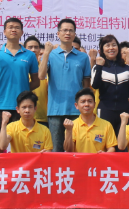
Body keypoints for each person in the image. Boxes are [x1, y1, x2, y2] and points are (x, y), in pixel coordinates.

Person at [0, 18, 40, 141]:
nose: (14, 30)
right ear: (4, 31)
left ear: (22, 32)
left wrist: (22, 89)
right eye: (10, 27)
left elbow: (36, 82)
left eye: (17, 27)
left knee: (21, 143)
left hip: (22, 107)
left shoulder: (29, 55)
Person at [39, 19, 91, 151]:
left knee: (75, 149)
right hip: (55, 110)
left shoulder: (83, 57)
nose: (67, 33)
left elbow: (86, 85)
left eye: (71, 30)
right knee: (56, 150)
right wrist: (46, 53)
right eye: (64, 30)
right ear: (58, 33)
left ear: (75, 34)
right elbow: (41, 76)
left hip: (77, 110)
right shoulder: (50, 55)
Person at [91, 34, 129, 125]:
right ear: (102, 50)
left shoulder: (126, 68)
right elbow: (95, 85)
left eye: (114, 45)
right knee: (104, 134)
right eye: (107, 45)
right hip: (105, 110)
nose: (111, 48)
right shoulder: (98, 67)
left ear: (118, 48)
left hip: (124, 111)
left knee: (124, 134)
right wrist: (99, 66)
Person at [63, 88, 116, 152]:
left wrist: (105, 154)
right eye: (83, 102)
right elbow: (68, 151)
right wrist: (69, 130)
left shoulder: (107, 125)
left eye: (90, 101)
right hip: (79, 159)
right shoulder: (72, 126)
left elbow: (111, 148)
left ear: (95, 104)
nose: (86, 104)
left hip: (98, 159)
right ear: (76, 105)